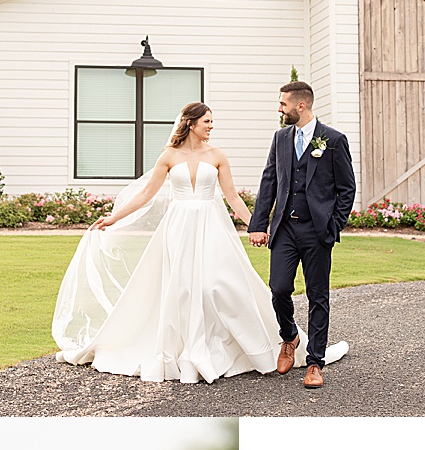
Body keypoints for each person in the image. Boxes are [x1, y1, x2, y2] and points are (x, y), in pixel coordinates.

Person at [52, 101, 344, 383]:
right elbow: (146, 195)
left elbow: (231, 196)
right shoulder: (168, 156)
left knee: (215, 285)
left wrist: (256, 225)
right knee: (181, 287)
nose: (211, 127)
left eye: (212, 123)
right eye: (207, 122)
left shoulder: (217, 155)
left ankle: (227, 343)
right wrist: (113, 218)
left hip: (211, 227)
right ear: (191, 124)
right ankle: (185, 348)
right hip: (178, 228)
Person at [248, 81, 356, 390]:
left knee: (317, 295)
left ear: (301, 106)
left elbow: (346, 189)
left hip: (316, 231)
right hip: (284, 228)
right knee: (279, 288)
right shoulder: (280, 138)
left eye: (282, 104)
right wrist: (258, 224)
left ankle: (314, 363)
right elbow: (269, 181)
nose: (279, 108)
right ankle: (289, 336)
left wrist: (333, 226)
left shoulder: (333, 140)